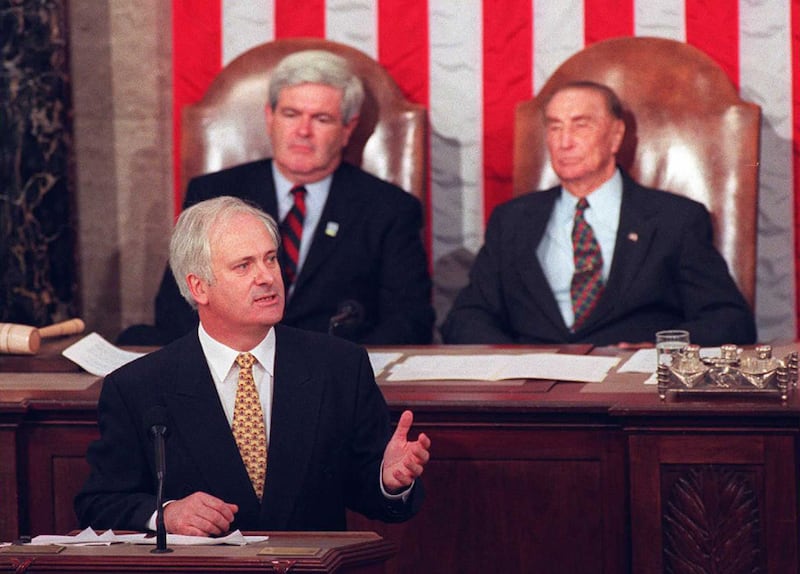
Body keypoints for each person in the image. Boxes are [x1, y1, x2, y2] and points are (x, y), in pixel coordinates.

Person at [75, 196, 431, 534]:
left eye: (271, 259)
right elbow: (98, 502)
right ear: (199, 287)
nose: (266, 277)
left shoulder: (339, 366)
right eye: (244, 265)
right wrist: (166, 513)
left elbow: (367, 488)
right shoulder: (139, 386)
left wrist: (388, 479)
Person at [119, 49, 434, 347]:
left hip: (330, 381)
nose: (303, 131)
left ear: (347, 129)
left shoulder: (389, 209)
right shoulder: (213, 193)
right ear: (270, 117)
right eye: (291, 114)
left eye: (321, 119)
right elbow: (177, 308)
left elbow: (409, 322)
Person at [441, 80, 756, 347]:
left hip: (628, 394)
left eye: (581, 125)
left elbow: (729, 320)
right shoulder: (511, 221)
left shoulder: (674, 220)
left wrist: (658, 348)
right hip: (530, 399)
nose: (565, 142)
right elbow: (467, 317)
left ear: (616, 135)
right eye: (555, 127)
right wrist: (513, 365)